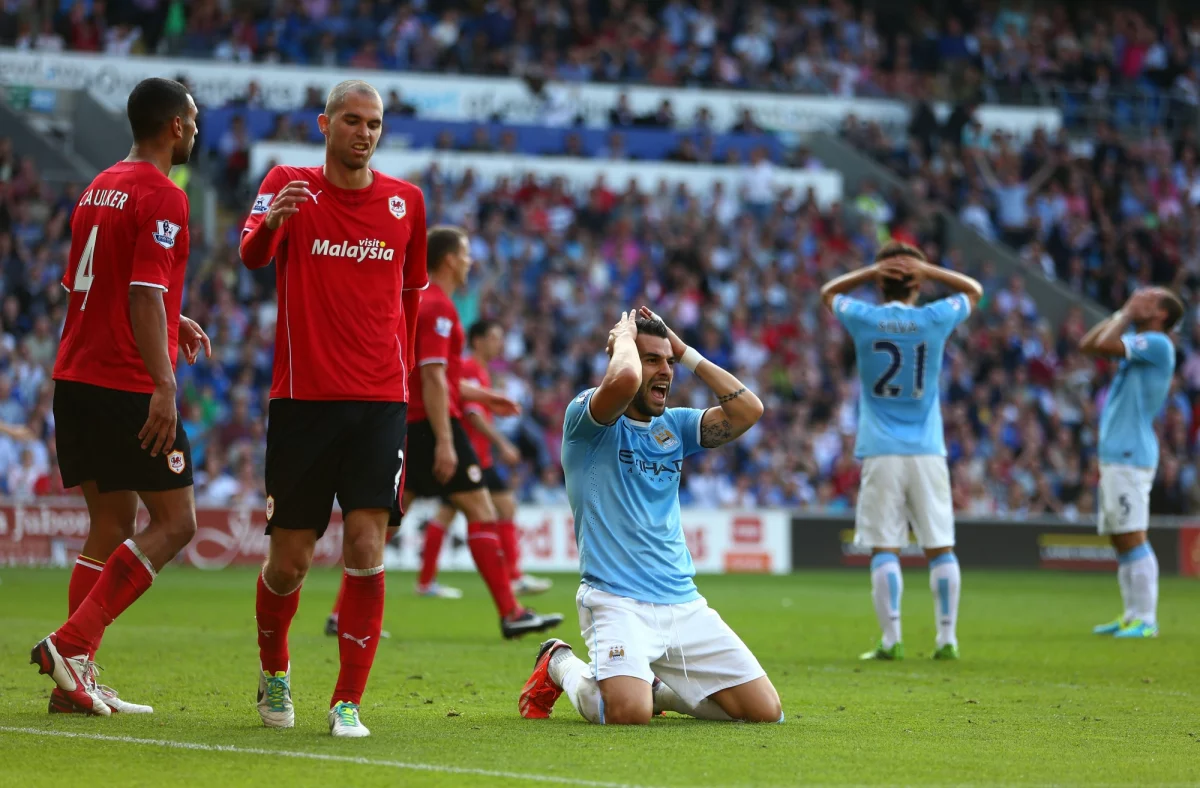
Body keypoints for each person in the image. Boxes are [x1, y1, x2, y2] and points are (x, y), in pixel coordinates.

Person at [239, 80, 427, 738]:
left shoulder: (407, 202)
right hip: (303, 402)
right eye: (352, 120)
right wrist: (273, 223)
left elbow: (411, 294)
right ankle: (275, 670)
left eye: (374, 123)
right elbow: (251, 256)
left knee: (367, 545)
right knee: (290, 561)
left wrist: (402, 377)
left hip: (379, 402)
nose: (364, 133)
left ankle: (347, 700)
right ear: (324, 124)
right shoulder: (287, 183)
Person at [30, 77, 207, 716]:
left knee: (110, 525)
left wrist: (171, 317)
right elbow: (139, 292)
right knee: (177, 522)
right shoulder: (164, 195)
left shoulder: (99, 185)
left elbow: (93, 281)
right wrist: (164, 382)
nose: (196, 129)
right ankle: (71, 644)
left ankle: (72, 680)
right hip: (124, 382)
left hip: (76, 375)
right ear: (175, 126)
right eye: (193, 119)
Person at [519, 307, 783, 725]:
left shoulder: (675, 427)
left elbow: (748, 410)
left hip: (683, 603)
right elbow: (623, 380)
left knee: (764, 712)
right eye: (652, 360)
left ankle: (658, 690)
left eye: (669, 362)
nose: (666, 371)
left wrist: (685, 351)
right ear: (623, 355)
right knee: (628, 714)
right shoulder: (587, 420)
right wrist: (623, 338)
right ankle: (559, 663)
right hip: (616, 600)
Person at [819, 242, 983, 661]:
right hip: (928, 448)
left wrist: (870, 270)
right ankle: (947, 639)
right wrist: (931, 271)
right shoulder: (934, 317)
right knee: (940, 545)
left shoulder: (865, 318)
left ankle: (892, 640)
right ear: (917, 283)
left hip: (881, 450)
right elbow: (974, 291)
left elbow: (828, 292)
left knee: (884, 546)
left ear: (881, 283)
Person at [399, 225, 563, 638]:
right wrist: (444, 440)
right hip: (433, 424)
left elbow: (442, 377)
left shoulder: (426, 302)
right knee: (482, 511)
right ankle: (511, 611)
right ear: (450, 260)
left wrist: (487, 397)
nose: (470, 262)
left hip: (415, 422)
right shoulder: (438, 306)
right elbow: (434, 378)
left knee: (387, 520)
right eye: (466, 254)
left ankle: (342, 613)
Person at [416, 319, 553, 599]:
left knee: (454, 512)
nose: (499, 343)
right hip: (470, 456)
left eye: (500, 338)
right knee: (498, 508)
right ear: (477, 341)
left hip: (477, 457)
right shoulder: (468, 367)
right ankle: (512, 577)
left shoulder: (480, 370)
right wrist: (502, 444)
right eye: (493, 337)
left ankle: (427, 581)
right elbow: (472, 413)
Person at [1079, 287, 1182, 639]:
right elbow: (1087, 345)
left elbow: (1103, 344)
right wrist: (1121, 314)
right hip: (1116, 454)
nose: (1139, 297)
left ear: (1162, 314)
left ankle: (1147, 620)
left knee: (1134, 535)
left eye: (1149, 299)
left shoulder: (1158, 343)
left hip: (1130, 454)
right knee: (1120, 537)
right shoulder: (1142, 341)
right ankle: (1131, 615)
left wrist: (1124, 313)